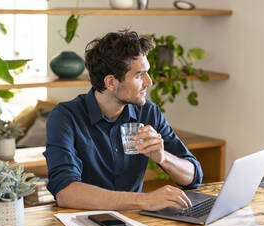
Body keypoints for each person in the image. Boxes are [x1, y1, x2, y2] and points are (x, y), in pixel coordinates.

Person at [43, 30, 203, 211]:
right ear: (111, 83)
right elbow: (66, 193)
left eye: (147, 73)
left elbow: (193, 176)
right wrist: (145, 200)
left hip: (135, 225)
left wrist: (163, 157)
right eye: (139, 75)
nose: (149, 82)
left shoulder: (148, 112)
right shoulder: (65, 117)